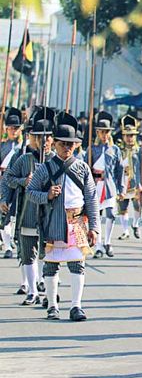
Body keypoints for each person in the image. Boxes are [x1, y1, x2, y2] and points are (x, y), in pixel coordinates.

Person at [27, 112, 100, 321]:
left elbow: (91, 199)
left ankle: (76, 306)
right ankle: (52, 305)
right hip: (53, 221)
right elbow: (31, 193)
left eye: (70, 144)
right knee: (51, 264)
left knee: (78, 264)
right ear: (55, 143)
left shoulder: (82, 167)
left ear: (76, 145)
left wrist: (94, 227)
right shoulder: (45, 168)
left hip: (76, 221)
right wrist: (47, 195)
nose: (66, 148)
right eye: (62, 144)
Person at [1, 110, 55, 305]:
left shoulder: (57, 161)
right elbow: (8, 178)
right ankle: (32, 290)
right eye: (40, 137)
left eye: (48, 137)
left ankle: (47, 287)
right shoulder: (23, 158)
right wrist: (24, 181)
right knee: (27, 251)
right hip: (27, 210)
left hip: (51, 213)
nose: (44, 141)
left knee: (48, 252)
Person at [88, 111, 123, 259]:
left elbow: (119, 170)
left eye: (107, 132)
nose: (104, 135)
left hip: (109, 186)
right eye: (102, 132)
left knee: (110, 214)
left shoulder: (115, 149)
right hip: (95, 184)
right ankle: (98, 245)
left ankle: (108, 242)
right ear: (97, 132)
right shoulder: (92, 149)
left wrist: (121, 188)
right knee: (96, 216)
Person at [0, 107, 24, 260]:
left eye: (16, 128)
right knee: (4, 213)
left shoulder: (24, 147)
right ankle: (7, 246)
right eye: (11, 128)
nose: (13, 131)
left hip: (20, 182)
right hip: (4, 181)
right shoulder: (3, 146)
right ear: (6, 129)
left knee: (19, 213)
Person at [116, 115, 142, 240]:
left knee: (138, 206)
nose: (129, 138)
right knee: (123, 208)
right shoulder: (119, 150)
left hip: (135, 182)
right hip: (123, 181)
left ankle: (135, 224)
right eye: (127, 135)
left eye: (131, 135)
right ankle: (125, 230)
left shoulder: (140, 150)